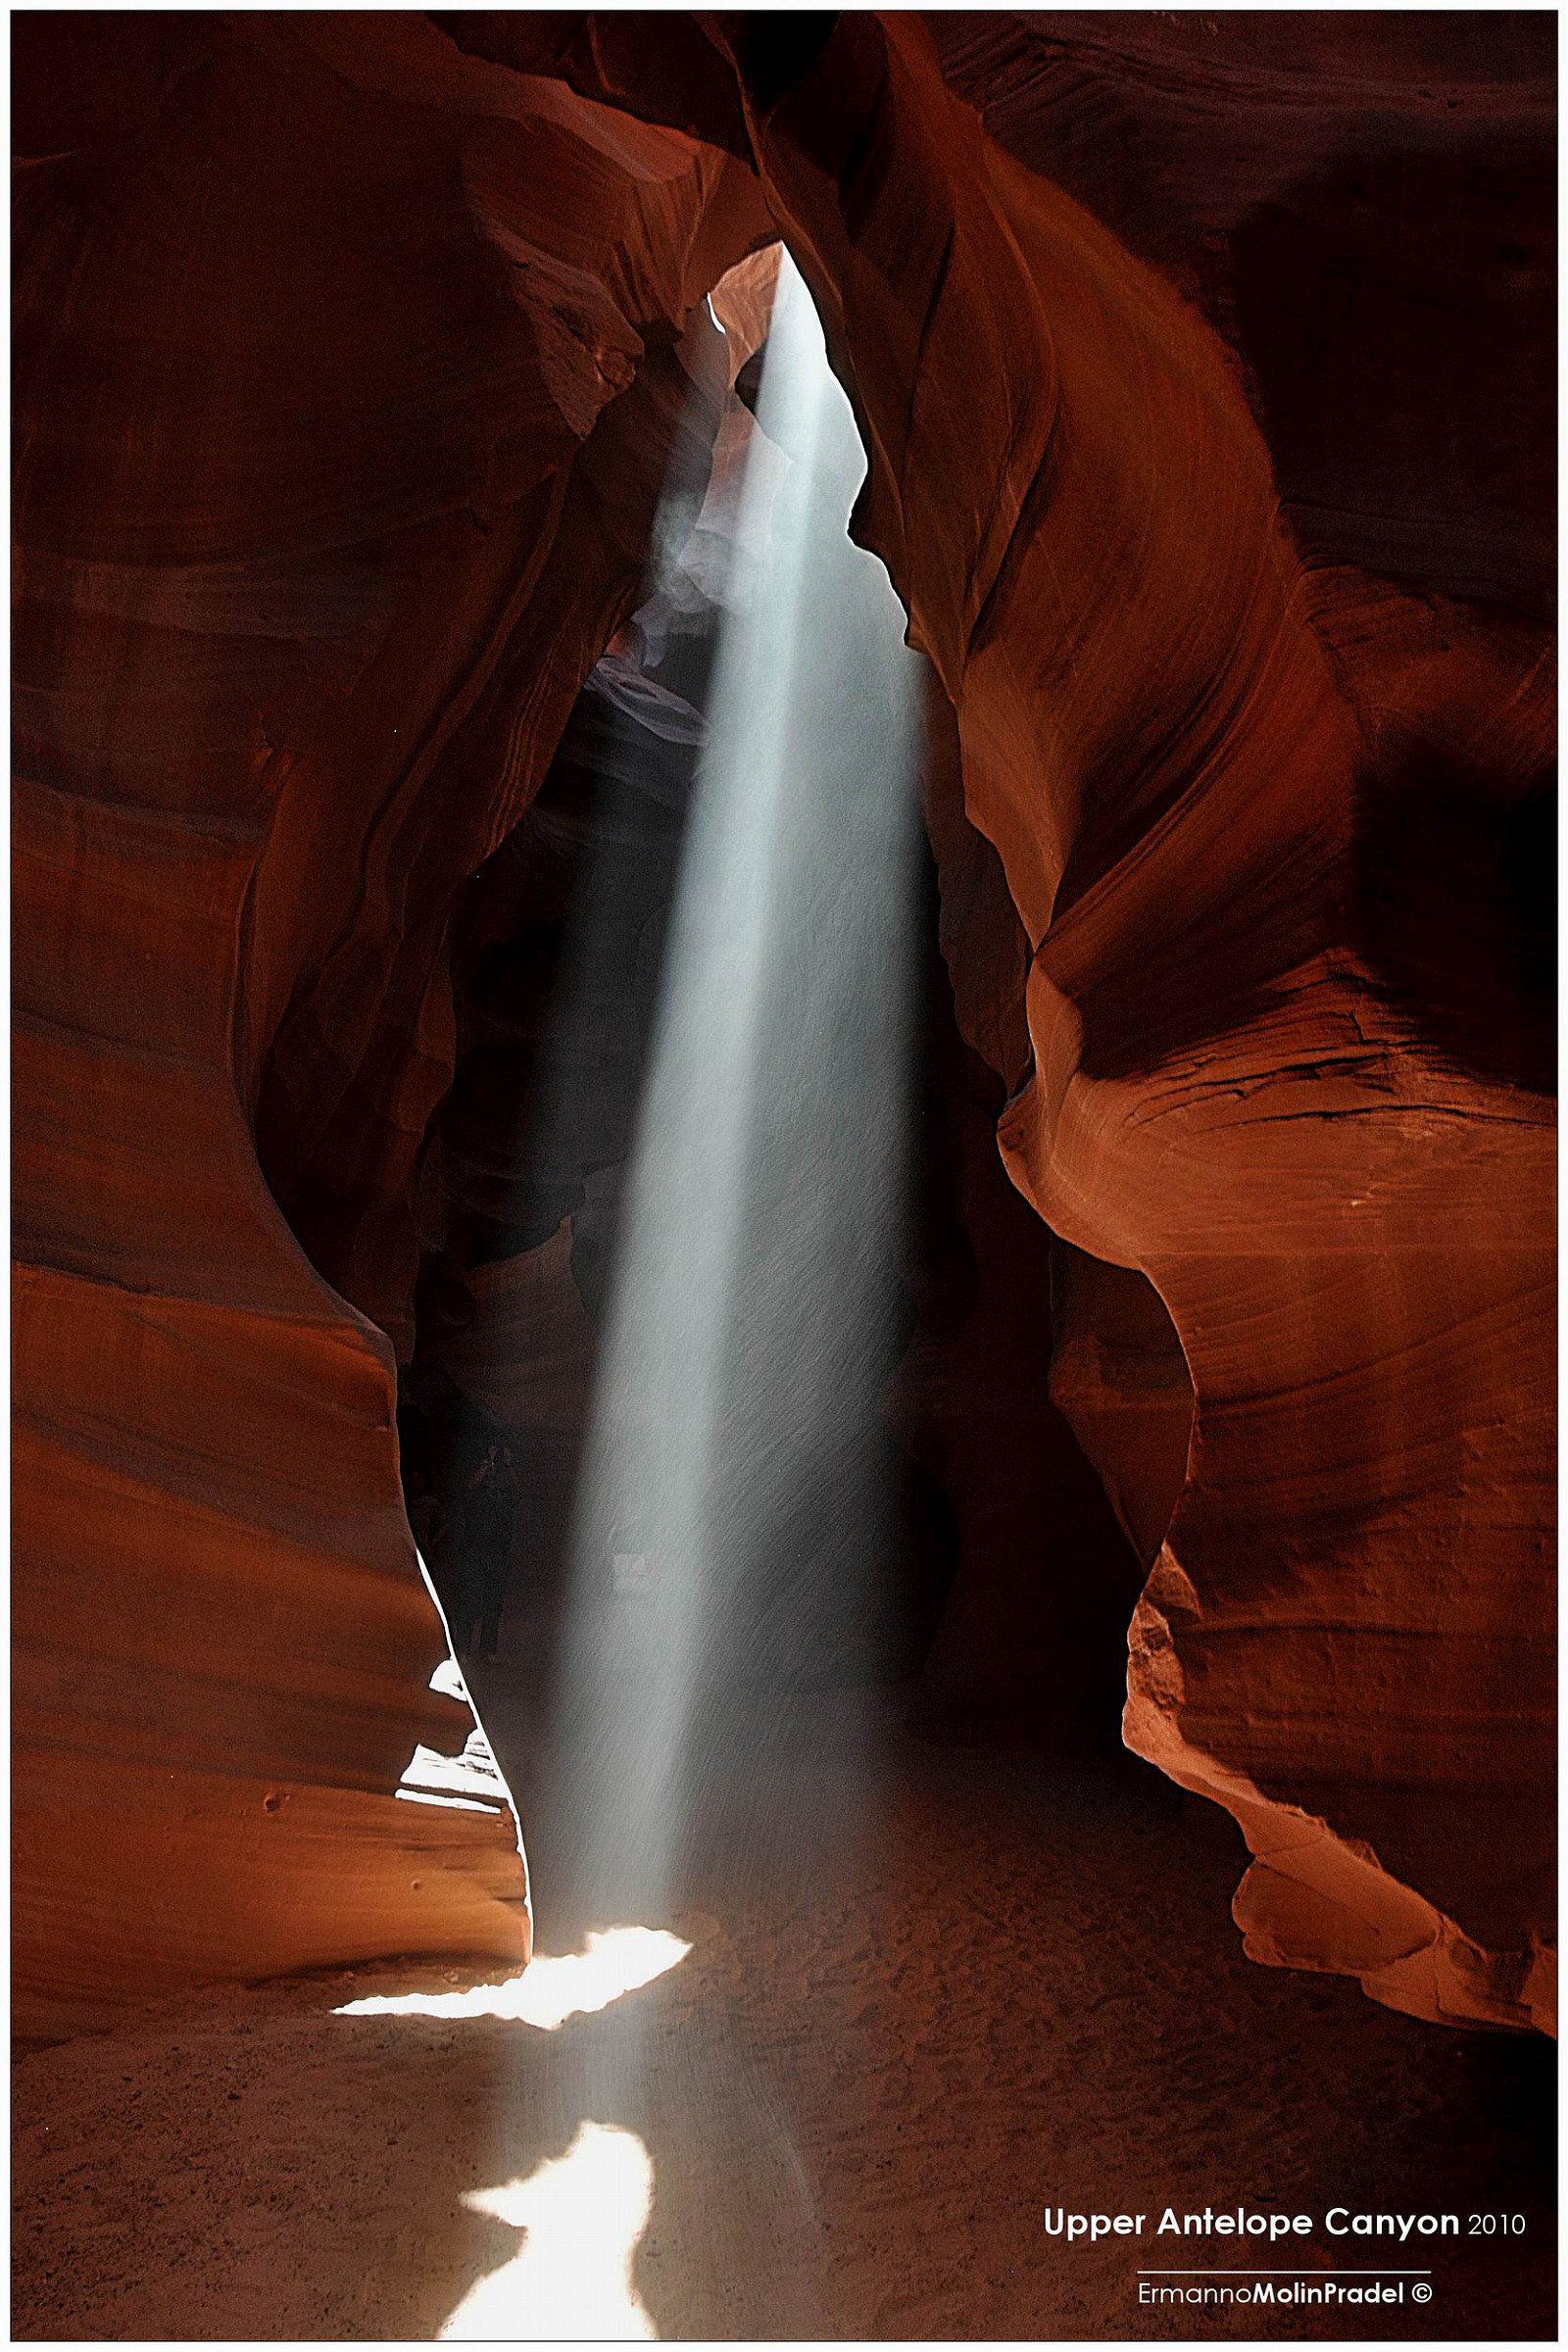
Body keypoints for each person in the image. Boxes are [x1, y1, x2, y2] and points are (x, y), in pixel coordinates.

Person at [456, 1442, 517, 1664]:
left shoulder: (506, 1479)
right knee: (469, 1600)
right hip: (475, 1548)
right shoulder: (476, 1472)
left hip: (498, 1550)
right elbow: (469, 1487)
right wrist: (487, 1461)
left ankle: (487, 1649)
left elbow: (517, 1493)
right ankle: (462, 1648)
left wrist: (508, 1464)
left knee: (494, 1603)